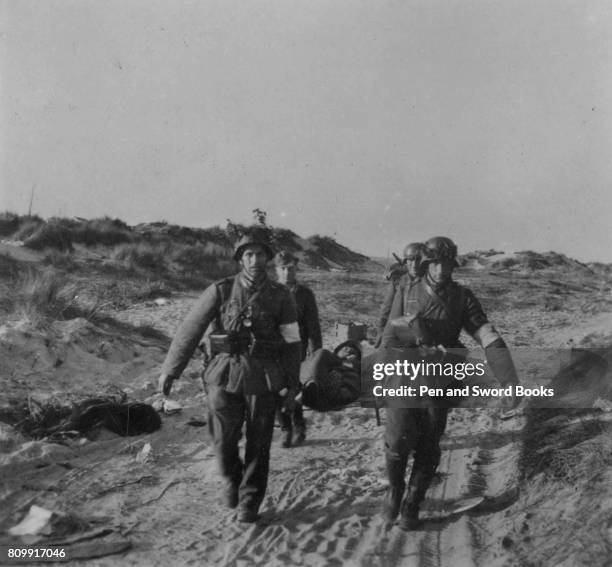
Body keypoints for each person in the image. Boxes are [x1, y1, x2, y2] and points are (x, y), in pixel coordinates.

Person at [157, 230, 301, 523]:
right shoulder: (221, 290)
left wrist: (292, 382)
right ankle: (233, 479)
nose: (255, 260)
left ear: (268, 258)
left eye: (260, 254)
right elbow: (190, 329)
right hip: (224, 374)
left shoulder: (281, 295)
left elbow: (292, 342)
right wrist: (171, 370)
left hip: (264, 378)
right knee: (223, 441)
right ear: (239, 259)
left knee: (259, 444)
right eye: (248, 254)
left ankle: (250, 501)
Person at [379, 236, 519, 530]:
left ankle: (412, 504)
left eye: (447, 263)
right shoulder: (406, 289)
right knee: (396, 443)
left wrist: (509, 379)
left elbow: (487, 335)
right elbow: (389, 336)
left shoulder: (463, 298)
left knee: (429, 448)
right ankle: (394, 493)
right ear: (427, 263)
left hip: (439, 382)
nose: (442, 269)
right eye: (436, 262)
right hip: (404, 377)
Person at [274, 250, 322, 447]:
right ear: (276, 270)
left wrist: (316, 353)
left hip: (297, 348)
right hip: (273, 348)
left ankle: (299, 426)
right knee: (276, 389)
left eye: (290, 268)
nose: (287, 272)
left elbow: (313, 326)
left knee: (294, 387)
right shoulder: (269, 291)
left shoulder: (304, 294)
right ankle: (285, 428)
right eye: (283, 269)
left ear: (296, 269)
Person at [375, 242, 426, 348]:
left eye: (419, 260)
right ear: (406, 261)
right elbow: (387, 308)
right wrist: (381, 330)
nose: (415, 265)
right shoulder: (398, 281)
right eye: (410, 260)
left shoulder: (429, 283)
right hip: (399, 331)